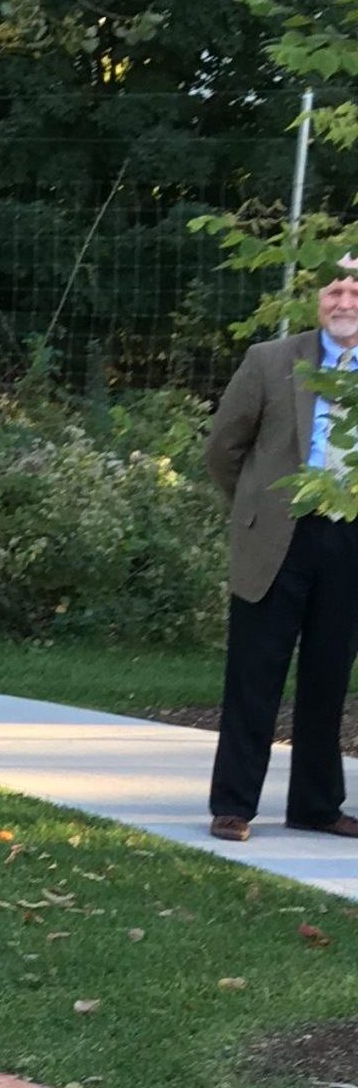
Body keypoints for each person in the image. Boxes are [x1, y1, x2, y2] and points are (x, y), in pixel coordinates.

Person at [203, 253, 358, 842]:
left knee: (328, 676)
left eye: (355, 291)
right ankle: (234, 805)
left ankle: (316, 806)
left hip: (350, 538)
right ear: (317, 301)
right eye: (334, 291)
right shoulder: (271, 361)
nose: (344, 302)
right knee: (254, 674)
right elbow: (223, 448)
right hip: (278, 533)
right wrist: (253, 507)